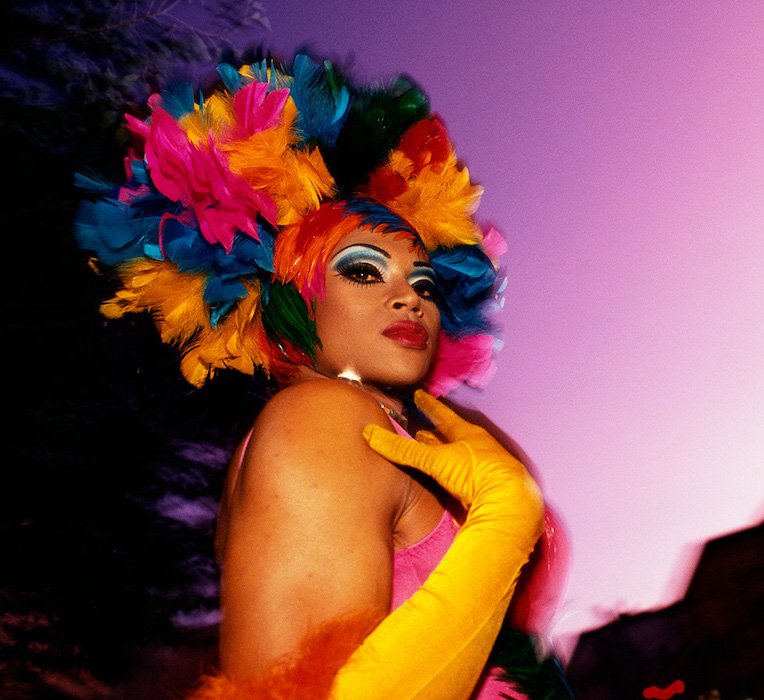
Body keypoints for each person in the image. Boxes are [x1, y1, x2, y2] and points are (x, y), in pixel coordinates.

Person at [75, 54, 570, 698]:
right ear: (292, 304)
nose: (411, 297)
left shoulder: (375, 431)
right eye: (364, 270)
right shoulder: (323, 418)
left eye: (422, 281)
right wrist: (506, 524)